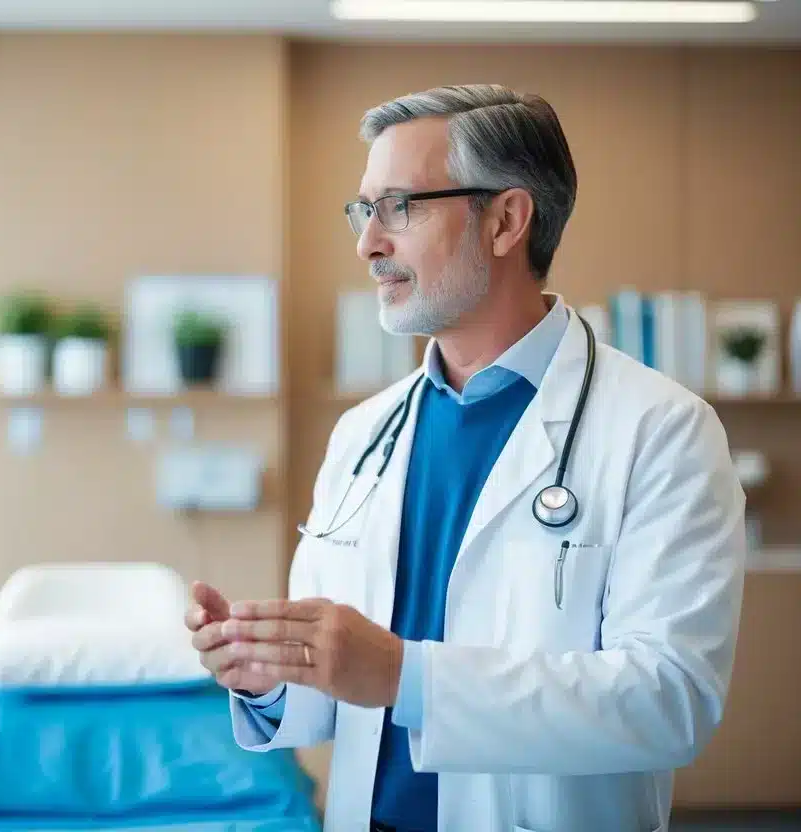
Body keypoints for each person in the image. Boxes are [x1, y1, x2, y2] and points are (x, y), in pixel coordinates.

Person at [186, 84, 746, 832]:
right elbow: (342, 693)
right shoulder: (363, 435)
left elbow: (669, 700)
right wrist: (269, 679)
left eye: (400, 207)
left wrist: (403, 674)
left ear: (506, 221)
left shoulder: (661, 430)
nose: (367, 243)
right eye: (363, 210)